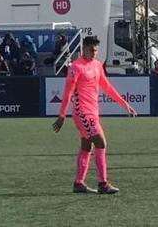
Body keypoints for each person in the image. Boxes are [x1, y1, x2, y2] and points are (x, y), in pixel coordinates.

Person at [52, 36, 137, 194]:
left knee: (87, 145)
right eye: (91, 50)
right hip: (82, 113)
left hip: (93, 112)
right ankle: (103, 183)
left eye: (96, 50)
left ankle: (79, 183)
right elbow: (68, 92)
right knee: (101, 142)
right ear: (83, 49)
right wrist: (62, 114)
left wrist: (125, 104)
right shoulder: (76, 67)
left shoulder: (97, 65)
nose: (94, 53)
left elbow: (107, 86)